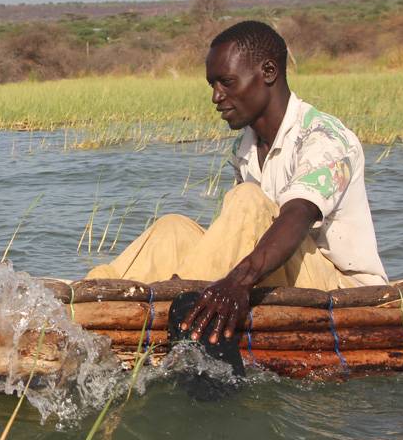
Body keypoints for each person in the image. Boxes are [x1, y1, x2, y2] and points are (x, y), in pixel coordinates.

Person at [86, 20, 387, 346]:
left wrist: (236, 282)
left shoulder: (325, 137)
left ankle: (185, 317)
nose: (216, 96)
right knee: (172, 229)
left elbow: (297, 216)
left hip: (343, 289)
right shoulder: (245, 146)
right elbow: (241, 232)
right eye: (213, 85)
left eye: (227, 82)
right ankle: (85, 303)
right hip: (277, 269)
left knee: (248, 198)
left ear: (268, 72)